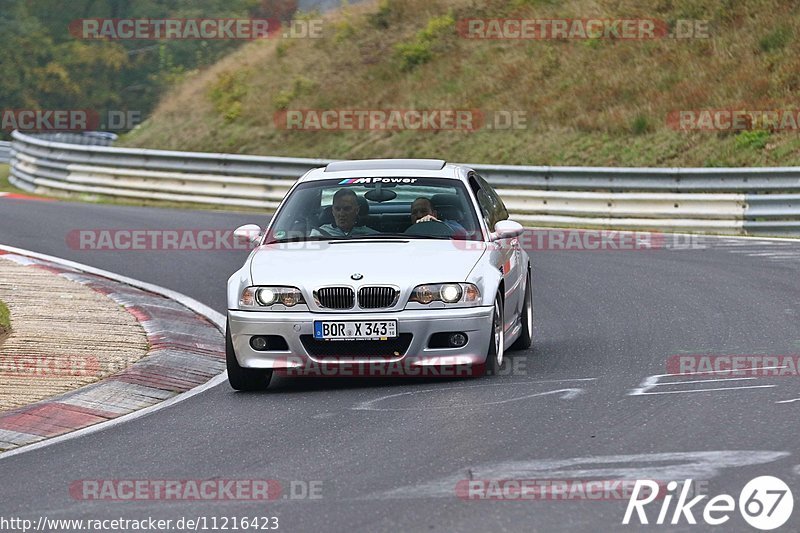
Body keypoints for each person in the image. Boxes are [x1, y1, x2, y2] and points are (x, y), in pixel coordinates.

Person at [310, 189, 378, 237]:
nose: (341, 214)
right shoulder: (318, 234)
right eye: (337, 209)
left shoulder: (374, 236)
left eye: (347, 209)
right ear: (332, 211)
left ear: (357, 210)